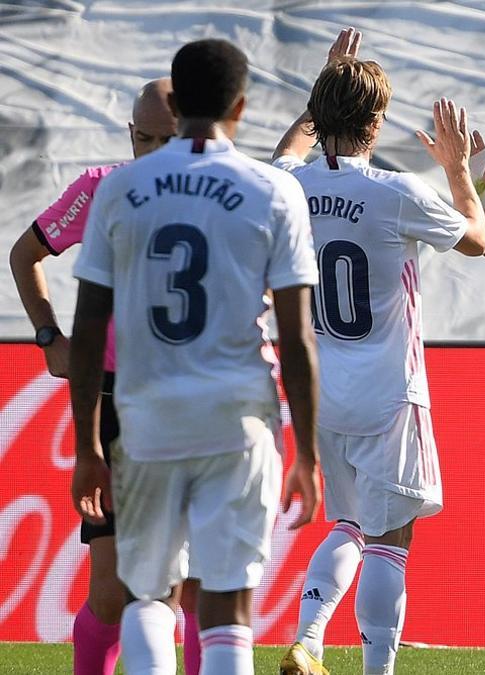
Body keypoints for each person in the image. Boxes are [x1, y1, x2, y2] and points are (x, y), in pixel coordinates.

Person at [68, 39, 322, 675]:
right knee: (225, 605)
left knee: (150, 593)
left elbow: (89, 322)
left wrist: (88, 449)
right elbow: (297, 338)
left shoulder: (119, 189)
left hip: (147, 418)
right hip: (237, 419)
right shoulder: (273, 191)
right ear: (240, 106)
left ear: (174, 102)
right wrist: (310, 454)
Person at [272, 29, 485, 675]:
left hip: (318, 390)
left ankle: (309, 639)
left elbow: (286, 148)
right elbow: (478, 237)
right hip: (388, 391)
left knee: (345, 522)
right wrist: (456, 167)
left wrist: (324, 87)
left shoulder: (288, 184)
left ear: (319, 110)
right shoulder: (396, 193)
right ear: (375, 122)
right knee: (390, 539)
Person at [7, 78, 211, 675]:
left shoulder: (222, 197)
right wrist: (50, 337)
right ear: (130, 134)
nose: (151, 150)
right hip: (116, 403)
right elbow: (26, 255)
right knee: (111, 590)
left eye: (165, 139)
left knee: (198, 585)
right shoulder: (99, 189)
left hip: (199, 402)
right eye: (142, 138)